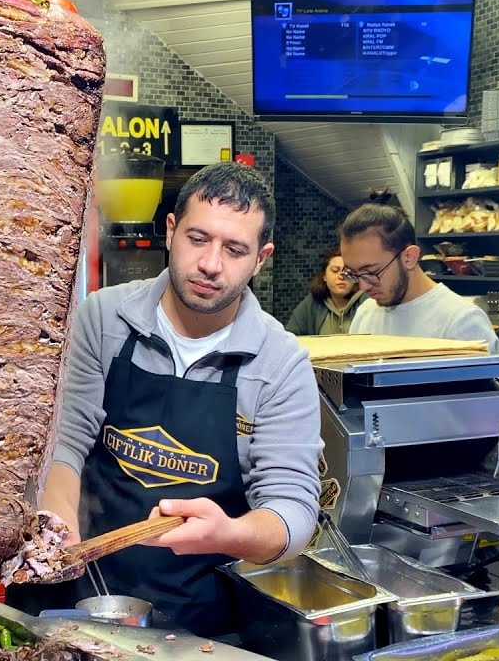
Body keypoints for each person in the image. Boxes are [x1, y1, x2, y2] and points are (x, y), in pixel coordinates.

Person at [40, 162, 323, 638]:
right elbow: (65, 441)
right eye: (198, 238)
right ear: (171, 231)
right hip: (76, 593)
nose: (211, 264)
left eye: (235, 249)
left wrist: (231, 533)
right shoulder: (104, 320)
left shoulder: (280, 364)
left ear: (261, 258)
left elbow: (292, 510)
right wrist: (58, 520)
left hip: (196, 623)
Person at [338, 203, 499, 352]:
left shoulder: (461, 321)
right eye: (353, 274)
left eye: (371, 272)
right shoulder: (365, 314)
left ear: (409, 257)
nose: (363, 286)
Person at [284, 246, 365, 335]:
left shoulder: (367, 302)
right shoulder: (312, 304)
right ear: (324, 276)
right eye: (335, 270)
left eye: (348, 272)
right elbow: (290, 338)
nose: (341, 276)